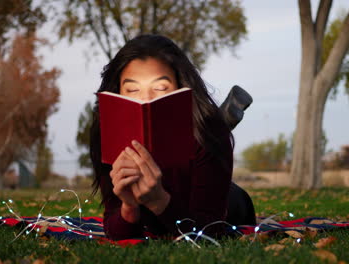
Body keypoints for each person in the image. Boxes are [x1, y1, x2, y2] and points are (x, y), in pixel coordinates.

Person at [90, 34, 255, 240]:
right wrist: (129, 207)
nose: (146, 98)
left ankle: (224, 118)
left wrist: (159, 200)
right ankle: (226, 115)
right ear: (118, 92)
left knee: (210, 132)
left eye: (160, 88)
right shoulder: (108, 136)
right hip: (162, 220)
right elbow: (116, 232)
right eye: (132, 89)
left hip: (230, 206)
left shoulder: (208, 133)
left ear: (180, 86)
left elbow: (208, 234)